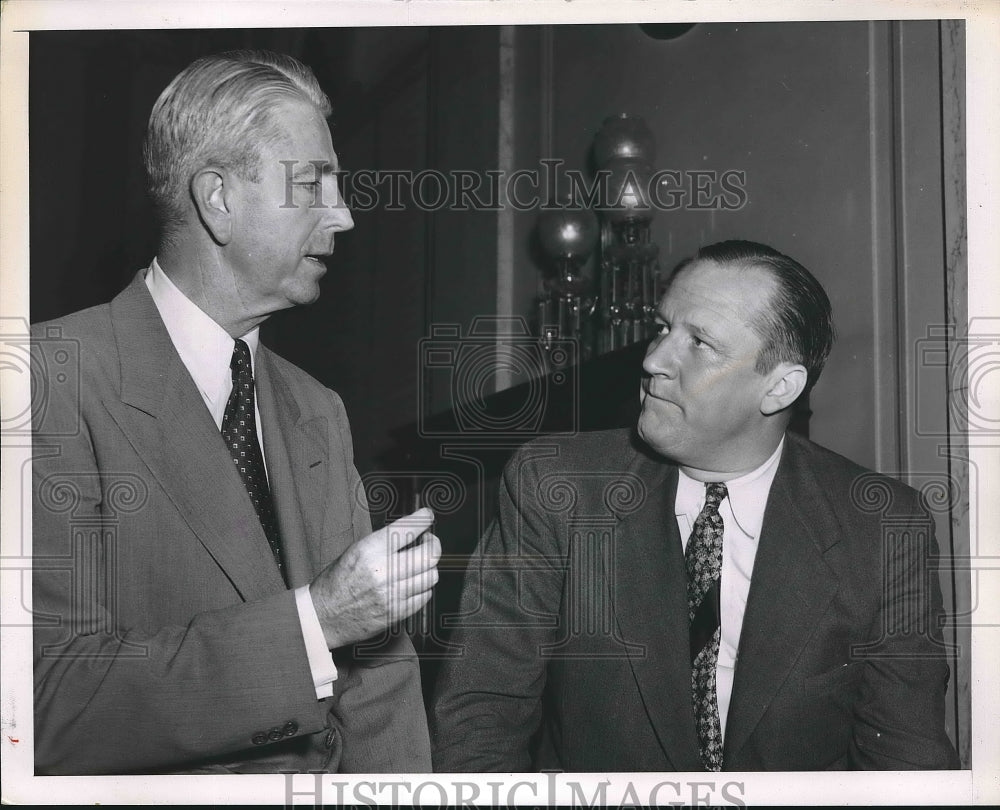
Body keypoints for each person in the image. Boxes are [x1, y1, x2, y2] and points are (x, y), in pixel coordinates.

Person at [31, 50, 440, 775]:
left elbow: (379, 692)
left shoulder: (318, 408)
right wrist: (317, 621)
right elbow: (48, 702)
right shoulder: (49, 379)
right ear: (217, 198)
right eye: (313, 185)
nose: (342, 215)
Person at [430, 239, 959, 771]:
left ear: (779, 388)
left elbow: (905, 756)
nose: (654, 359)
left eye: (700, 342)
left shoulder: (882, 525)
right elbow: (480, 718)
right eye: (664, 327)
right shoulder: (559, 487)